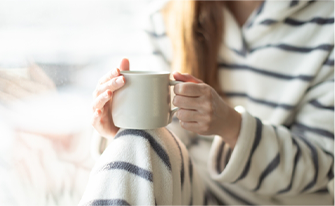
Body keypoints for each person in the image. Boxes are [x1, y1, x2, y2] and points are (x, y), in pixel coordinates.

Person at [80, 0, 335, 205]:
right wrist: (119, 129)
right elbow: (158, 147)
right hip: (195, 192)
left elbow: (323, 164)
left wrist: (232, 127)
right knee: (137, 139)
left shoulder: (327, 24)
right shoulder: (164, 19)